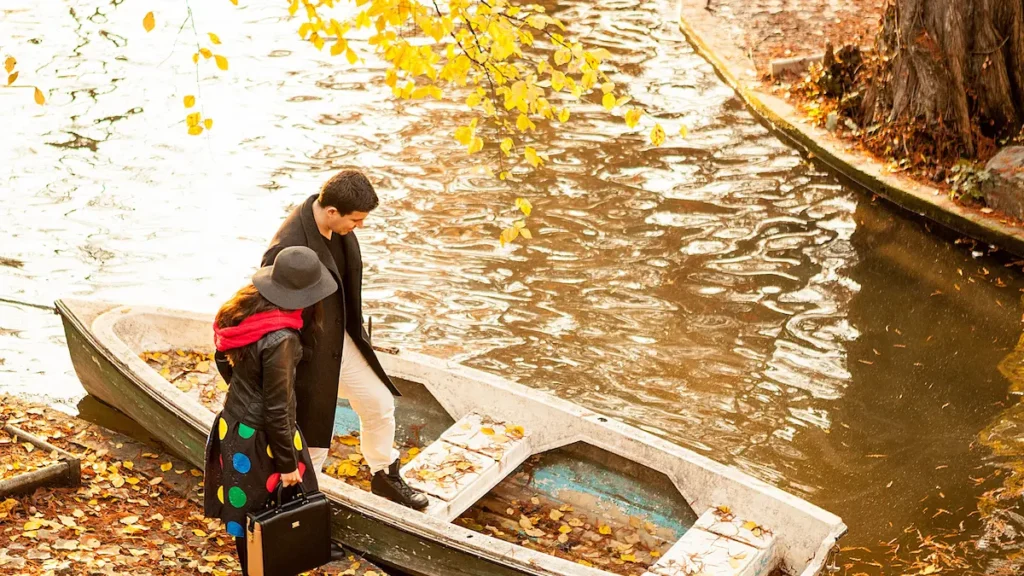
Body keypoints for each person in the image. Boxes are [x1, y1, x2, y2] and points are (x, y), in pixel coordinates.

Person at [262, 169, 428, 510]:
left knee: (379, 402)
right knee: (314, 444)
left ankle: (384, 476)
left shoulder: (337, 224)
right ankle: (303, 510)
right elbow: (271, 307)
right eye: (356, 220)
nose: (360, 227)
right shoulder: (289, 244)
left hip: (343, 340)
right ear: (332, 211)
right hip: (307, 356)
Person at [204, 246, 338, 575]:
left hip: (234, 426)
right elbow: (277, 409)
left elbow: (223, 357)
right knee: (276, 512)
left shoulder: (243, 310)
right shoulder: (283, 338)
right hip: (263, 437)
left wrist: (243, 389)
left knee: (248, 511)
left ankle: (253, 568)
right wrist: (288, 464)